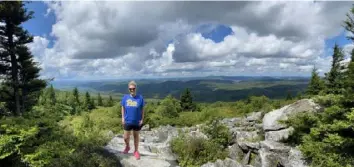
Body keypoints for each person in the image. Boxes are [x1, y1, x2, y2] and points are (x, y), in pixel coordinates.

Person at [120, 81, 145, 160]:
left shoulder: (140, 98)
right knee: (125, 137)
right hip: (127, 120)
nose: (132, 90)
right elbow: (123, 107)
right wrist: (123, 118)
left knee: (136, 137)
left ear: (135, 88)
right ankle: (127, 147)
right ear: (128, 89)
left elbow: (143, 109)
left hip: (137, 121)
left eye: (133, 88)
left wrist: (142, 119)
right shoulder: (125, 97)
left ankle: (136, 151)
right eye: (130, 89)